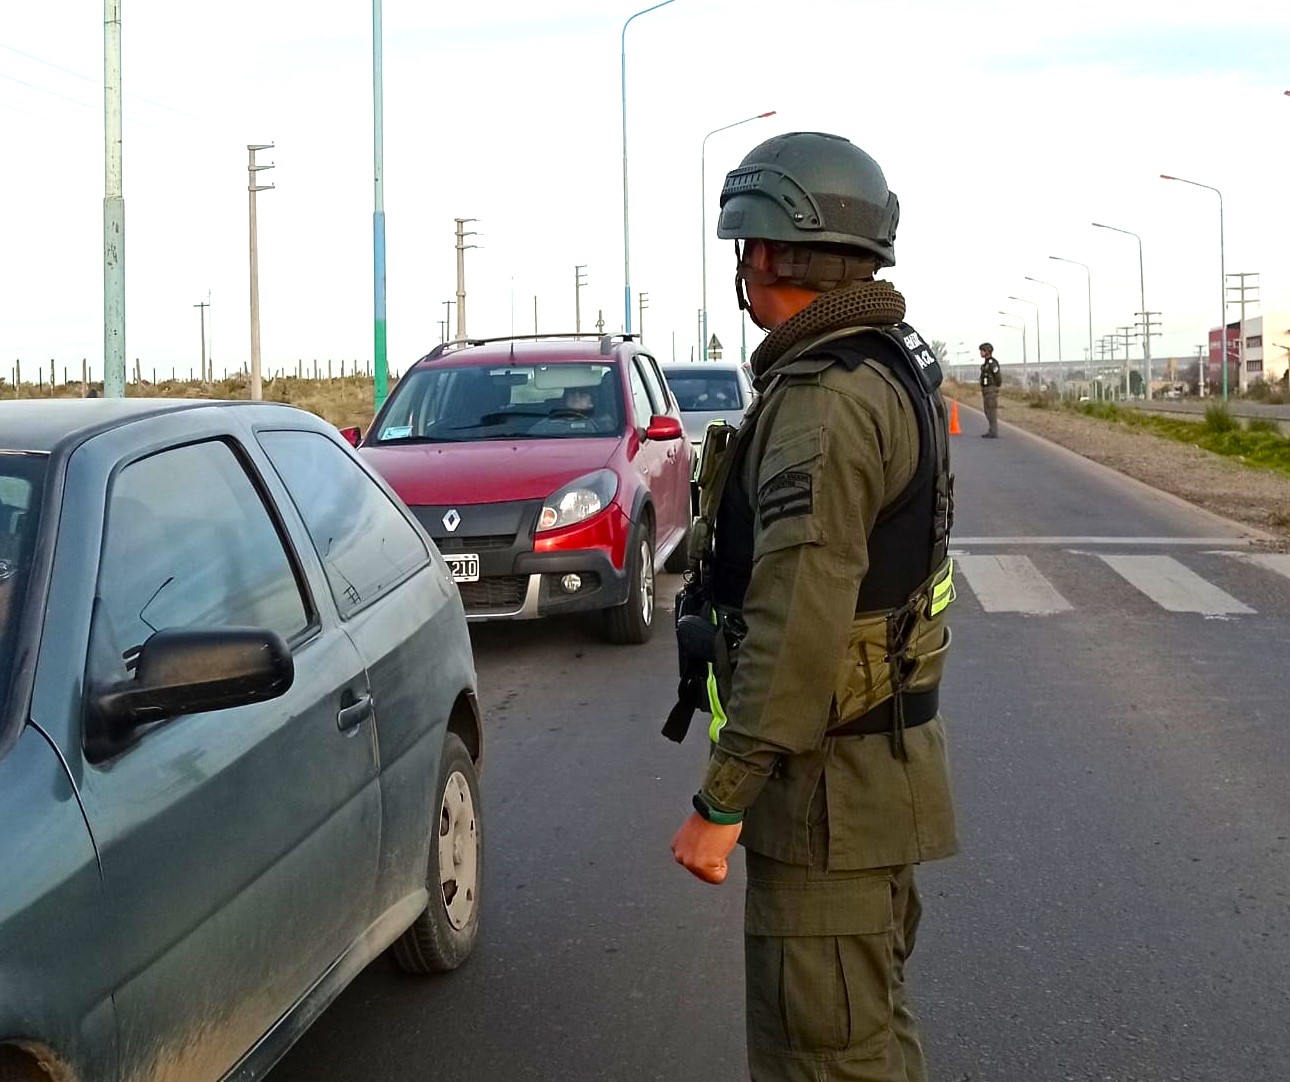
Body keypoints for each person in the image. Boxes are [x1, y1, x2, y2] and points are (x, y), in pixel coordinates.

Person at [668, 131, 958, 1081]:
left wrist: (724, 796)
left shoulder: (827, 402)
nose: (743, 269)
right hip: (867, 780)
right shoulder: (876, 369)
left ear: (777, 253)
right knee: (864, 1042)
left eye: (747, 247)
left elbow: (798, 624)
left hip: (830, 797)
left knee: (824, 1058)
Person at [978, 342, 1002, 437]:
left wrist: (995, 387)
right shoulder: (986, 364)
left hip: (991, 390)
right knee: (987, 410)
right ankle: (991, 430)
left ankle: (993, 432)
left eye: (982, 351)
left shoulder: (992, 363)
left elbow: (998, 377)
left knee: (991, 410)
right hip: (986, 390)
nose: (981, 353)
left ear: (988, 351)